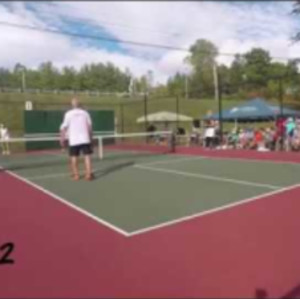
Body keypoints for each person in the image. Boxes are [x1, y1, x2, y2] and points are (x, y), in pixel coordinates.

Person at [60, 98, 94, 181]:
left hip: (74, 140)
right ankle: (88, 174)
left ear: (72, 105)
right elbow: (89, 127)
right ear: (80, 104)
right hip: (85, 139)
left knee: (74, 157)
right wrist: (91, 138)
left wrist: (62, 139)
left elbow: (64, 127)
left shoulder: (68, 114)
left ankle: (76, 175)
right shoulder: (85, 113)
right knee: (87, 156)